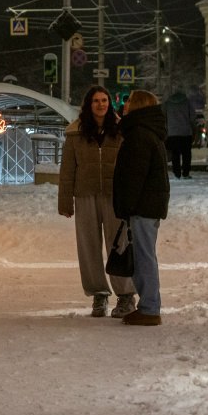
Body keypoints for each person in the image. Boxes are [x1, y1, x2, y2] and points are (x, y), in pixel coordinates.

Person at [58, 85, 137, 318]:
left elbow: (130, 166)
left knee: (119, 246)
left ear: (110, 103)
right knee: (88, 246)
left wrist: (132, 197)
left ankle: (125, 296)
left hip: (115, 196)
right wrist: (65, 201)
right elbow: (68, 170)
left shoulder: (121, 130)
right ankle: (99, 294)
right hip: (85, 195)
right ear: (88, 105)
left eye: (104, 100)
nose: (101, 104)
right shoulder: (75, 132)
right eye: (96, 101)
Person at [112, 89, 170, 326]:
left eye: (128, 104)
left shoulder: (138, 135)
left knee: (144, 257)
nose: (124, 107)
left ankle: (149, 308)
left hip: (143, 206)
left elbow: (133, 176)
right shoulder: (148, 132)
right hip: (149, 204)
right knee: (145, 255)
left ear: (137, 107)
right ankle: (149, 305)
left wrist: (125, 206)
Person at [164, 89, 194, 179]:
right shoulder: (187, 102)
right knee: (186, 154)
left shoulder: (167, 103)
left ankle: (177, 173)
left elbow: (164, 116)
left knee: (175, 154)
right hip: (185, 132)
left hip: (172, 133)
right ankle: (186, 173)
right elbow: (192, 116)